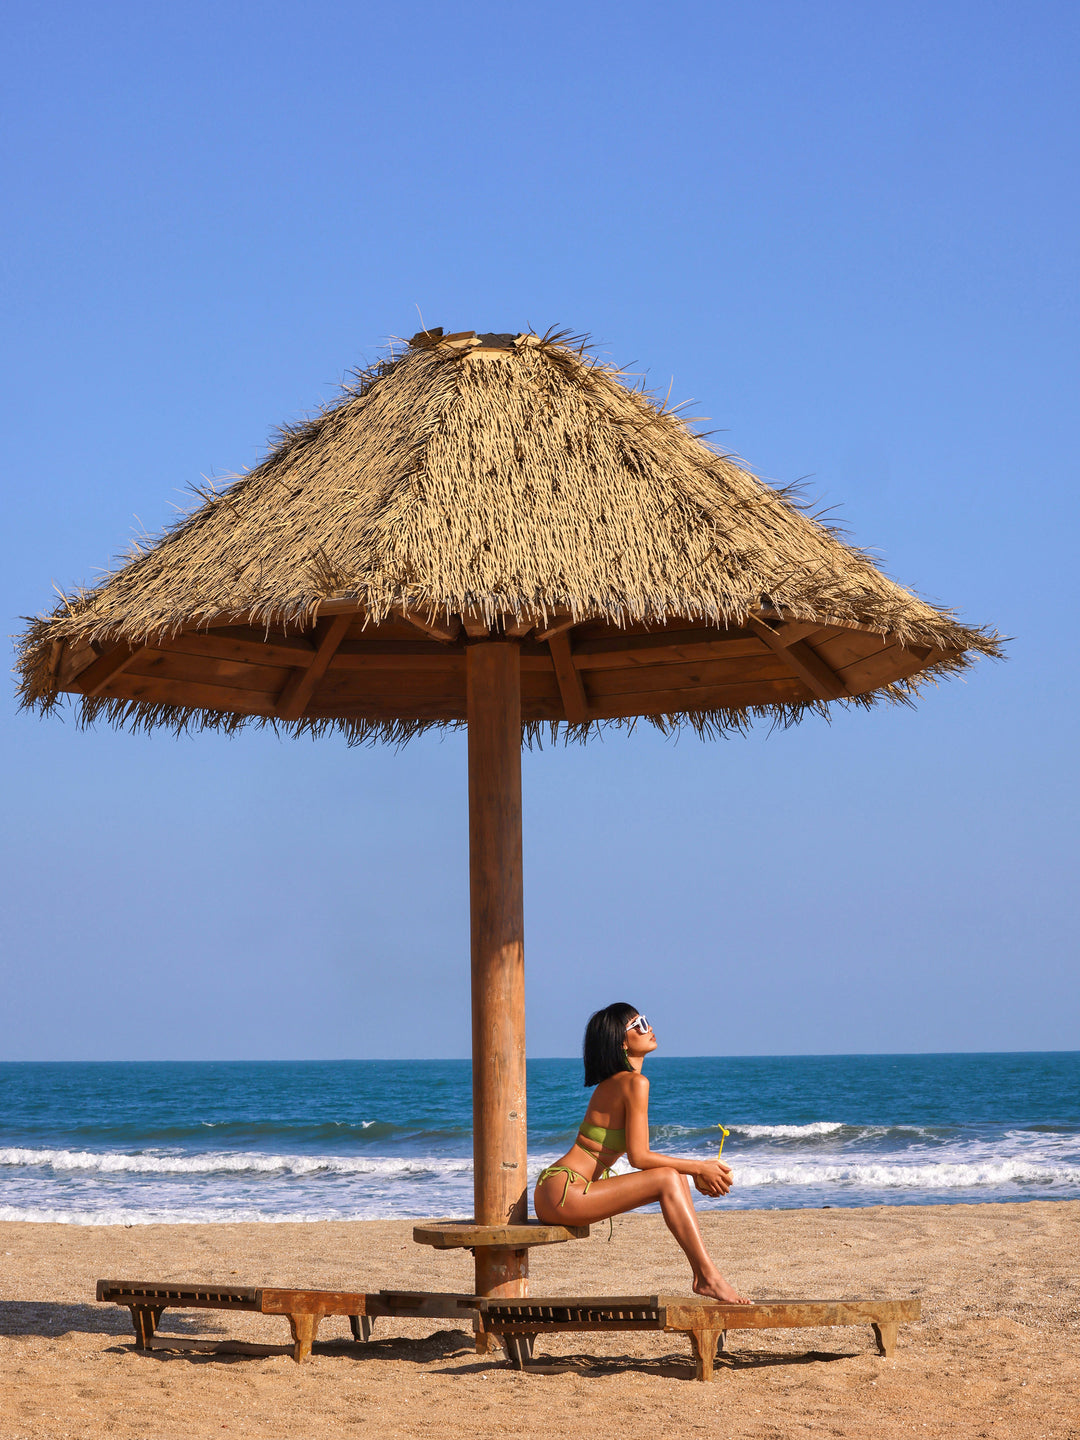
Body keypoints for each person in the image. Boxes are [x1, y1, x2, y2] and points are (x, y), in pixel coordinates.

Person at [534, 1002, 750, 1303]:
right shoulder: (634, 1083)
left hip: (556, 1189)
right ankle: (707, 1277)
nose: (647, 1028)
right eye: (637, 1024)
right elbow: (640, 1157)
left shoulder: (618, 1083)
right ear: (622, 1042)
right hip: (565, 1191)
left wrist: (695, 1171)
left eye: (645, 1021)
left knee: (670, 1178)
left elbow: (639, 1157)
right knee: (667, 1178)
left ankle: (706, 1276)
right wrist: (700, 1168)